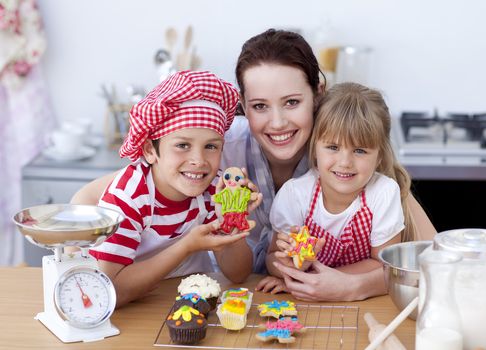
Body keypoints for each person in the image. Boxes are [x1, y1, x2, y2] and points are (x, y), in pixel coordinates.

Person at [71, 29, 436, 301]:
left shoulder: (341, 151)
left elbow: (432, 253)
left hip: (317, 302)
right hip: (243, 298)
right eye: (260, 106)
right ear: (244, 106)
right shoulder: (215, 148)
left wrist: (357, 284)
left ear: (317, 93)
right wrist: (83, 261)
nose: (277, 123)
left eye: (292, 102)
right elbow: (91, 197)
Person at [87, 70, 260, 307]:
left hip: (191, 303)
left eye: (211, 146)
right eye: (182, 145)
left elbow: (238, 274)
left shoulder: (214, 190)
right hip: (135, 311)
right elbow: (110, 291)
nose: (199, 160)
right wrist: (187, 246)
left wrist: (232, 219)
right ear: (150, 150)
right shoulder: (128, 197)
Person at [260, 82, 412, 300]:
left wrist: (326, 281)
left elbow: (384, 267)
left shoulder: (383, 193)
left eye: (359, 150)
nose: (345, 162)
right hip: (307, 304)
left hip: (363, 304)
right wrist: (291, 268)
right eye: (333, 147)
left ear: (379, 156)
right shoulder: (295, 195)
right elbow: (272, 257)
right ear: (315, 149)